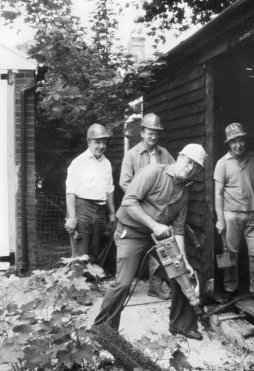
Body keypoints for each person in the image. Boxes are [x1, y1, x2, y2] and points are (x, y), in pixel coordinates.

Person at [94, 143, 207, 340]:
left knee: (181, 273)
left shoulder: (184, 192)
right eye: (189, 162)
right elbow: (128, 202)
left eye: (196, 167)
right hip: (132, 232)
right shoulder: (152, 173)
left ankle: (182, 325)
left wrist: (184, 261)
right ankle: (102, 330)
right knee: (123, 283)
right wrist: (154, 225)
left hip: (159, 237)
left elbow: (178, 229)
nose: (191, 168)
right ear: (180, 157)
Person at [120, 113, 175, 300]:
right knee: (132, 250)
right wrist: (143, 199)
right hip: (138, 212)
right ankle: (122, 285)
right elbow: (124, 183)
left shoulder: (164, 154)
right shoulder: (132, 155)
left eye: (156, 134)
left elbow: (175, 175)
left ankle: (155, 286)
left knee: (162, 250)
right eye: (150, 133)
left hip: (159, 214)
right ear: (142, 132)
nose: (153, 137)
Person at [214, 122, 254, 301]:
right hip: (230, 215)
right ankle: (229, 288)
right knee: (228, 255)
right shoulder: (222, 163)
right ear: (228, 143)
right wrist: (220, 219)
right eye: (234, 141)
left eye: (241, 140)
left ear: (245, 140)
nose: (238, 145)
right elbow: (217, 193)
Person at [65, 123, 116, 279]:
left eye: (104, 142)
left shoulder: (106, 163)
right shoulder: (78, 162)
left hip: (100, 211)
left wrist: (112, 213)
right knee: (80, 252)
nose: (101, 146)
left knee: (94, 250)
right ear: (89, 142)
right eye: (97, 142)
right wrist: (72, 217)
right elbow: (71, 192)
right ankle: (79, 292)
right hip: (82, 208)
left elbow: (109, 190)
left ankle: (90, 284)